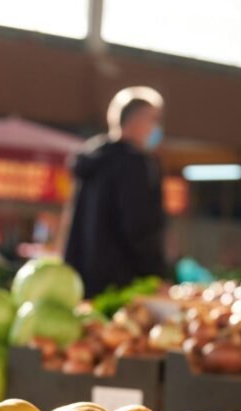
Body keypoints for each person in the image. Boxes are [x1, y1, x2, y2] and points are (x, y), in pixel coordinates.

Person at [62, 86, 167, 298]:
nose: (156, 128)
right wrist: (156, 273)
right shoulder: (134, 164)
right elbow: (138, 226)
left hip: (84, 281)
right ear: (138, 120)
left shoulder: (93, 159)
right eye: (153, 119)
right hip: (123, 286)